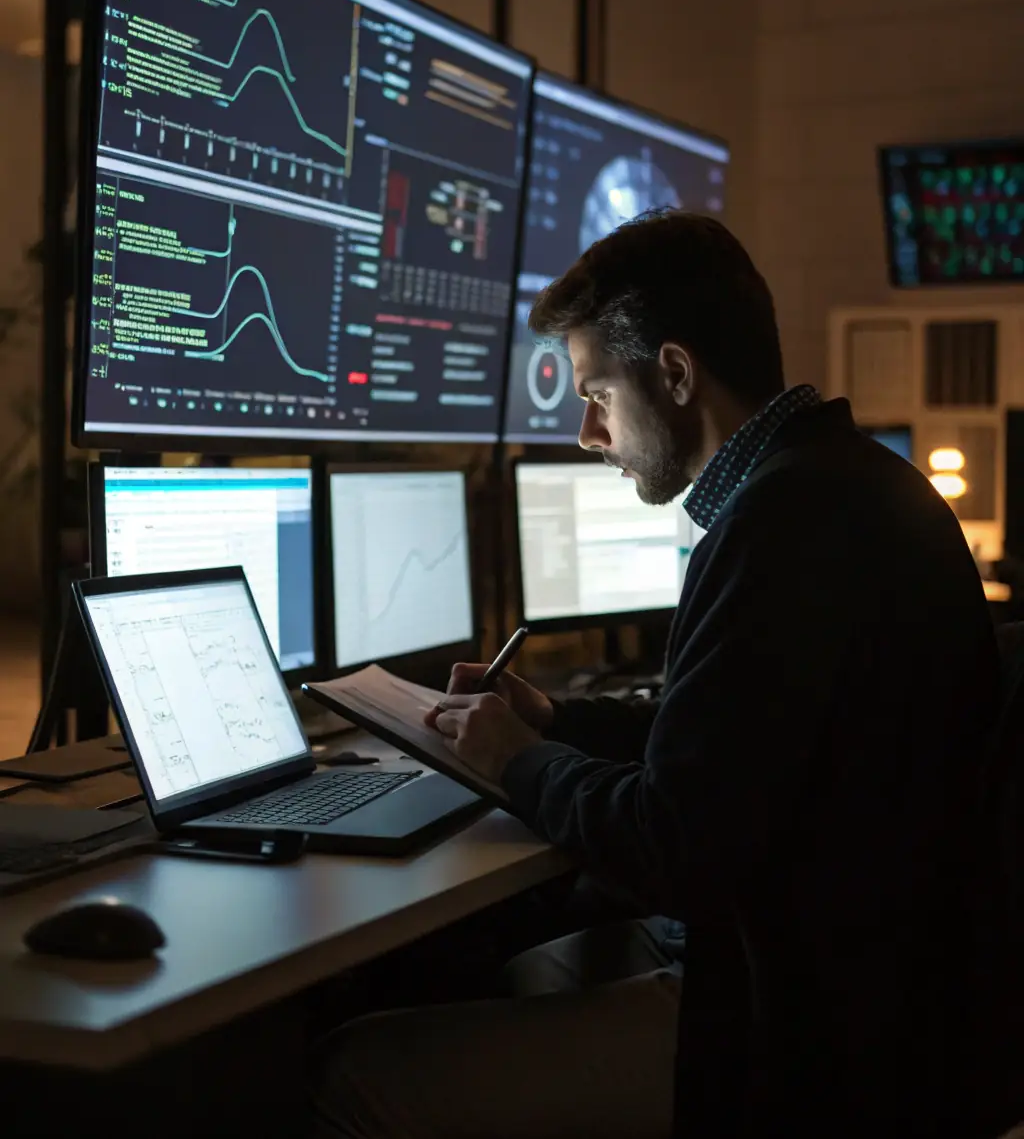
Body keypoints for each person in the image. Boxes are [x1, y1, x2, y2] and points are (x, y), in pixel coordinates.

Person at [311, 211, 1000, 1139]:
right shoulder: (849, 483)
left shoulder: (779, 525)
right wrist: (551, 719)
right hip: (884, 992)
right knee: (509, 964)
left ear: (674, 374)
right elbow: (730, 739)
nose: (589, 432)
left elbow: (674, 843)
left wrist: (517, 761)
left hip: (794, 1032)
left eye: (597, 392)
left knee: (355, 1067)